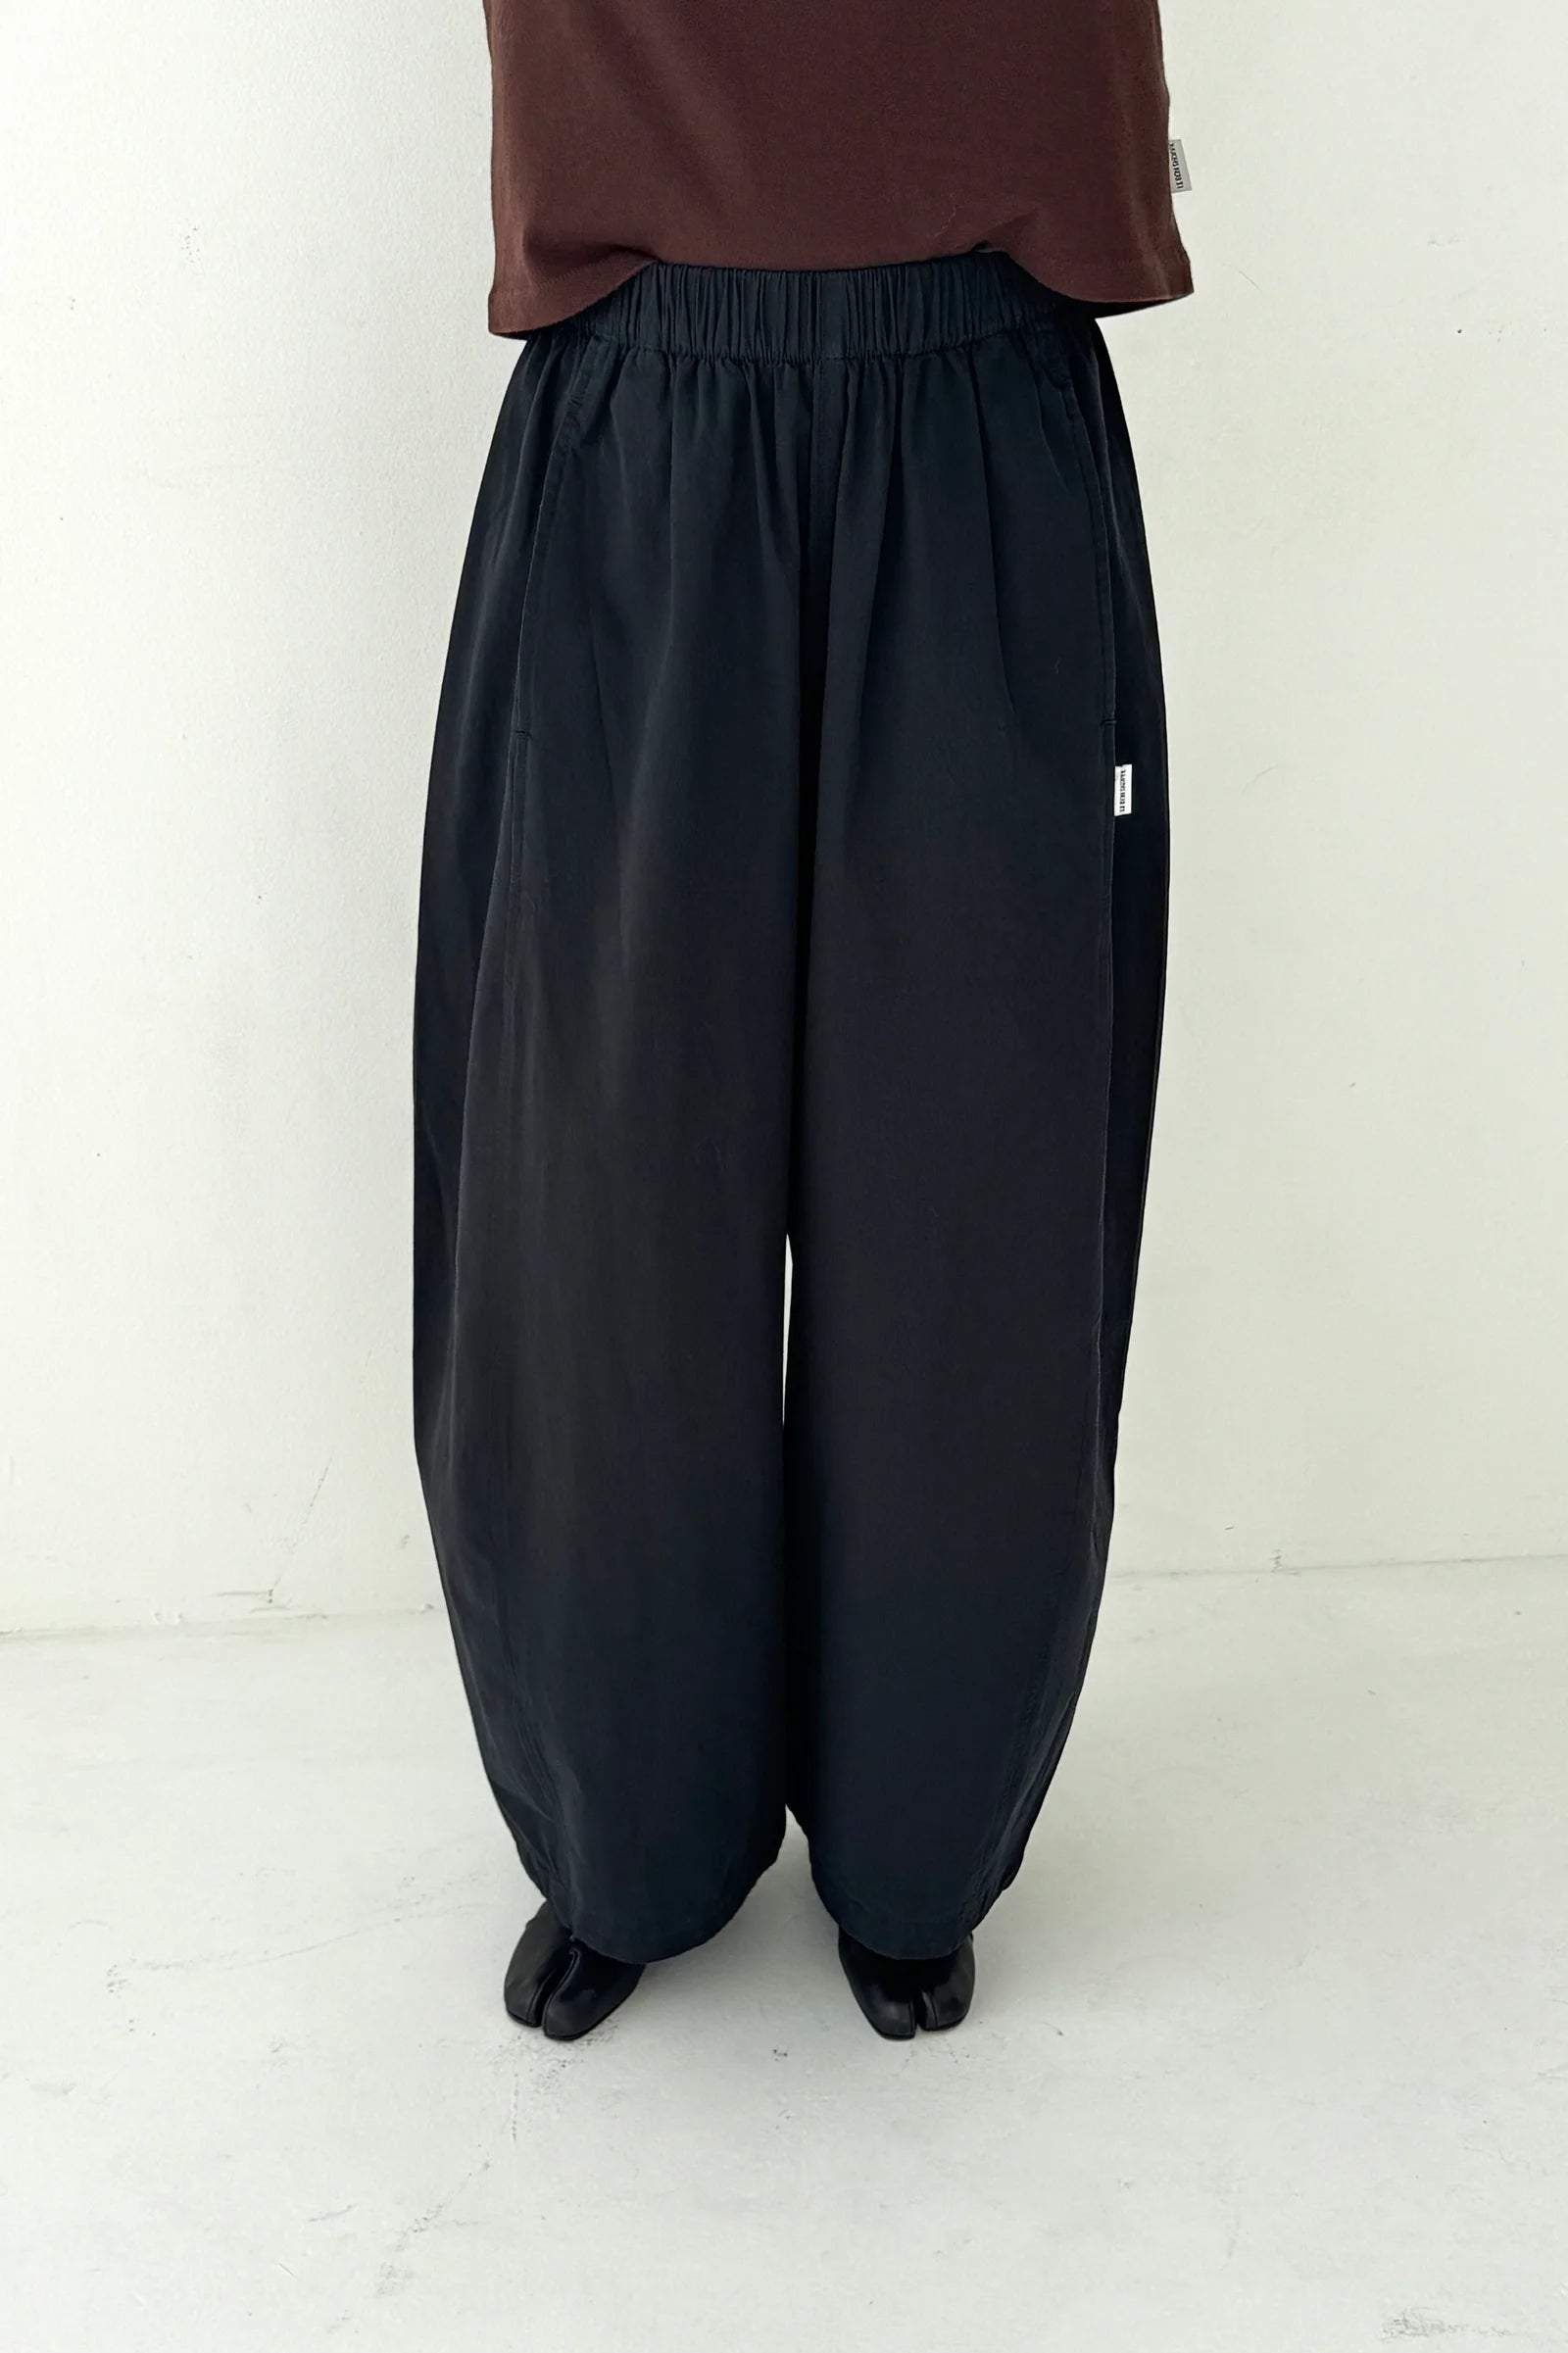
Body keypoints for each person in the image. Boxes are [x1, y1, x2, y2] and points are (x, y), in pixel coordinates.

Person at [413, 1, 1192, 2041]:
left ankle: (917, 1838)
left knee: (970, 1196)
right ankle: (627, 1828)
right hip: (643, 404)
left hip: (979, 395)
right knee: (599, 1211)